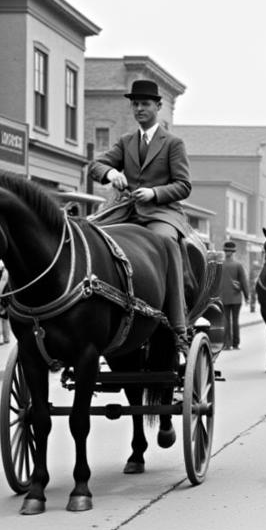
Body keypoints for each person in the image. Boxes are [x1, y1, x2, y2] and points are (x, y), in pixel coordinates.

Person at [88, 78, 195, 350]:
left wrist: (154, 193)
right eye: (135, 104)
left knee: (167, 242)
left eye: (145, 104)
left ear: (158, 106)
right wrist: (111, 173)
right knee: (90, 233)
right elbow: (96, 165)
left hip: (162, 213)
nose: (139, 109)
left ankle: (178, 324)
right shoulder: (126, 142)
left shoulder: (173, 143)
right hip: (126, 211)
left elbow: (184, 185)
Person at [220, 241, 251, 350]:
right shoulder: (238, 265)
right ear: (233, 252)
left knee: (226, 321)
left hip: (223, 297)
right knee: (235, 321)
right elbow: (243, 282)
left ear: (225, 252)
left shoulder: (220, 265)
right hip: (236, 297)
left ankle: (227, 344)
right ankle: (236, 343)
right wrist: (247, 297)